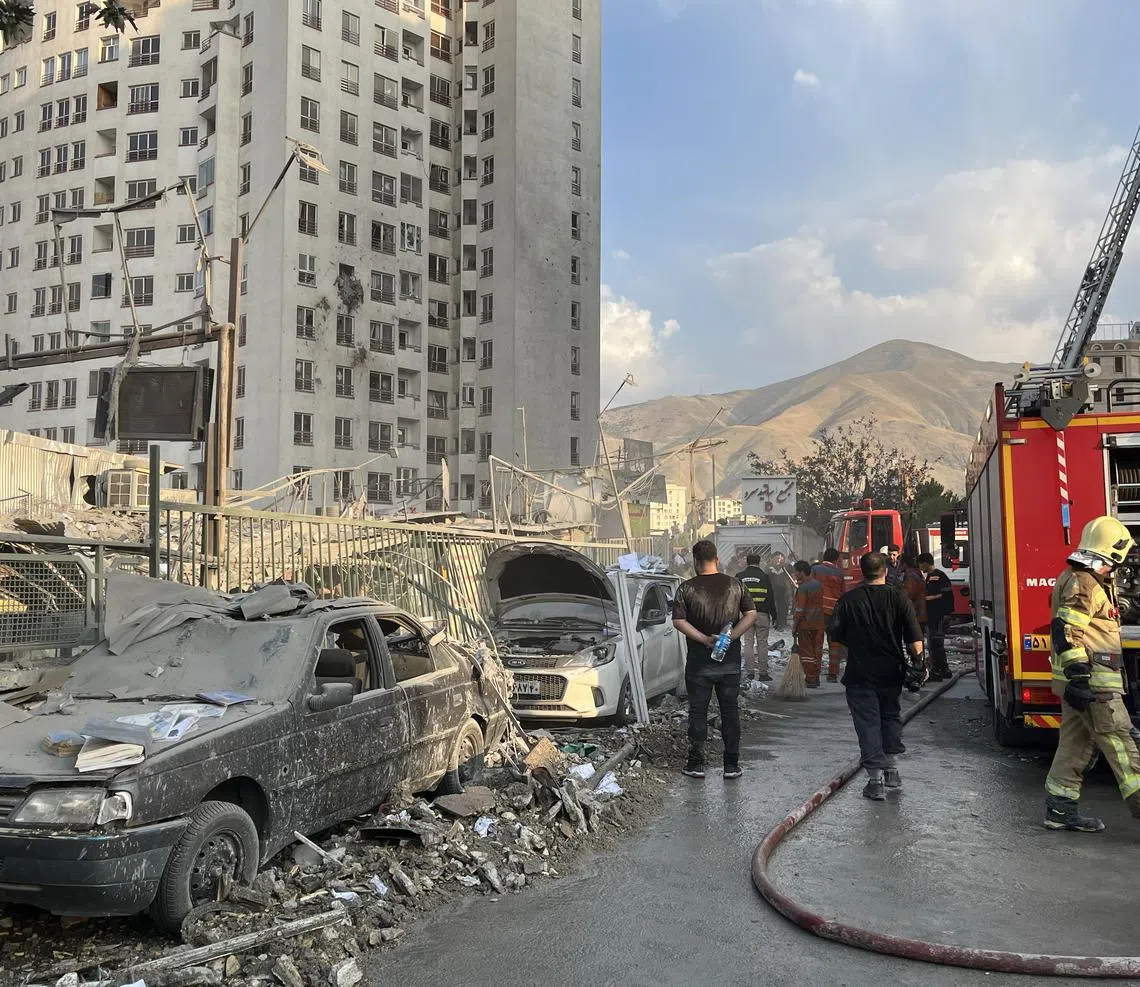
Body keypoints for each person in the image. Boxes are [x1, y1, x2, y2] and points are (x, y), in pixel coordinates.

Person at [1042, 516, 1140, 832]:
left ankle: (1059, 810)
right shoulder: (1083, 584)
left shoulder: (1079, 580)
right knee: (1123, 749)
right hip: (1095, 686)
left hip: (1080, 685)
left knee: (1075, 745)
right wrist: (1081, 677)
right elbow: (1068, 630)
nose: (1116, 568)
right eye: (1116, 561)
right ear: (1108, 554)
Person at [827, 552, 925, 800]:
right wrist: (919, 664)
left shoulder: (849, 600)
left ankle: (875, 781)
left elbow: (835, 634)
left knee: (868, 722)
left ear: (862, 571)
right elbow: (915, 640)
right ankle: (891, 770)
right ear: (884, 570)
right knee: (890, 716)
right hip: (892, 671)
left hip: (860, 673)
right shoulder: (899, 597)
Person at [672, 540, 758, 780]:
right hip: (729, 664)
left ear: (695, 561)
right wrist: (729, 637)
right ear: (717, 559)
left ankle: (696, 764)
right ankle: (731, 766)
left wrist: (703, 639)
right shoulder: (735, 585)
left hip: (699, 665)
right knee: (730, 711)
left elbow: (678, 621)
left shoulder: (686, 588)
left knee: (698, 712)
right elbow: (751, 614)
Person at [736, 553, 778, 682]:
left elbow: (734, 597)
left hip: (745, 615)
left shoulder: (739, 576)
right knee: (762, 643)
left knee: (748, 642)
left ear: (746, 562)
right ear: (759, 562)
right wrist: (775, 616)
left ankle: (750, 673)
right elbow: (770, 598)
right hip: (762, 614)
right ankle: (763, 673)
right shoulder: (765, 577)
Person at [812, 548, 848, 683]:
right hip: (834, 613)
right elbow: (843, 594)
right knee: (834, 645)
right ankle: (833, 674)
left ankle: (815, 672)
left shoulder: (816, 570)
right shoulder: (840, 573)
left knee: (817, 643)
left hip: (818, 612)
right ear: (835, 559)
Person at [919, 552, 954, 681]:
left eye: (921, 564)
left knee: (936, 643)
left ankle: (939, 670)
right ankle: (942, 669)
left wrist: (946, 614)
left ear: (925, 563)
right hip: (934, 616)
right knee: (934, 644)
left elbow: (947, 596)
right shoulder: (931, 576)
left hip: (938, 615)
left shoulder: (938, 576)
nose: (920, 567)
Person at [792, 560, 826, 688]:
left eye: (796, 571)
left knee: (807, 653)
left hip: (805, 625)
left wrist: (795, 625)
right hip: (818, 624)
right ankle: (816, 677)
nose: (794, 574)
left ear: (801, 572)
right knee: (817, 651)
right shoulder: (818, 584)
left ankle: (810, 679)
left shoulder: (803, 588)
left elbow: (800, 609)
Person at [900, 554, 928, 639]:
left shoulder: (910, 576)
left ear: (904, 564)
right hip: (920, 610)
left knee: (914, 637)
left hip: (916, 610)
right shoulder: (917, 573)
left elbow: (910, 593)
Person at [769, 551, 793, 631]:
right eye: (776, 558)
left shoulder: (788, 567)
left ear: (783, 558)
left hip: (784, 590)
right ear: (772, 559)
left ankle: (783, 622)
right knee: (774, 607)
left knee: (784, 607)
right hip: (773, 590)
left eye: (780, 558)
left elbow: (792, 577)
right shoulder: (768, 568)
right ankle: (776, 622)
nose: (778, 560)